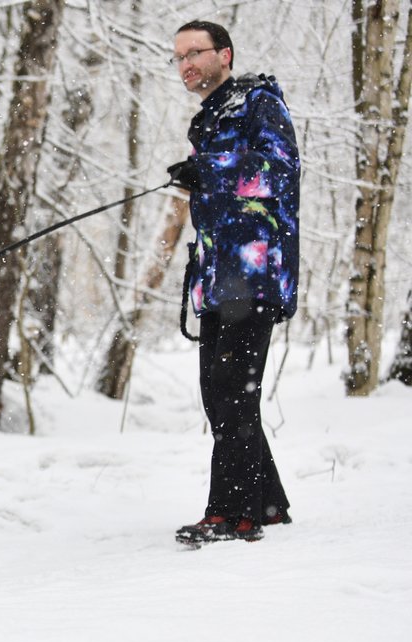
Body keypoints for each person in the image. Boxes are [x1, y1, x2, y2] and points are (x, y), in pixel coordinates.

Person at [165, 20, 299, 545]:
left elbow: (280, 171)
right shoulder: (212, 115)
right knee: (218, 395)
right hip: (220, 277)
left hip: (255, 274)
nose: (186, 64)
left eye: (195, 53)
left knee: (232, 394)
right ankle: (266, 503)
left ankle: (231, 513)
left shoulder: (257, 103)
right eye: (177, 58)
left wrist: (211, 170)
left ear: (225, 53)